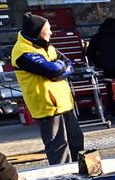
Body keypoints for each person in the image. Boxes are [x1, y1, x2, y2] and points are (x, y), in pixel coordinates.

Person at [12, 13, 83, 165]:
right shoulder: (22, 51)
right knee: (59, 149)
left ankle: (82, 174)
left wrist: (59, 69)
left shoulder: (48, 46)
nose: (51, 32)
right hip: (47, 108)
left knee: (77, 142)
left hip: (65, 104)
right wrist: (59, 68)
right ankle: (63, 179)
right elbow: (52, 70)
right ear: (37, 30)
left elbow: (69, 65)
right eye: (48, 29)